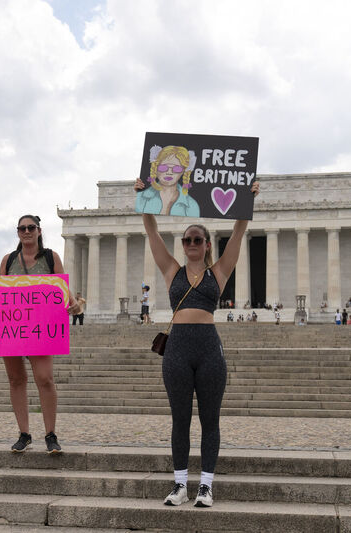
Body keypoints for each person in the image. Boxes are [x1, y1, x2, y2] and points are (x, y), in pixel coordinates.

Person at [136, 177, 258, 509]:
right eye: (188, 239)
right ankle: (179, 485)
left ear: (206, 245)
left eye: (198, 239)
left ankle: (205, 486)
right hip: (177, 348)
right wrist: (143, 199)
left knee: (210, 418)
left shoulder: (217, 272)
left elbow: (237, 235)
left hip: (208, 347)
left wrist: (245, 204)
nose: (192, 242)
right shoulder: (171, 271)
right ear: (184, 244)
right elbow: (152, 233)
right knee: (179, 418)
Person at [0, 215, 79, 454]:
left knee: (44, 379)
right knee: (16, 380)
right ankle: (24, 434)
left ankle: (50, 434)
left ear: (39, 231)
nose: (26, 231)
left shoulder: (51, 257)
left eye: (31, 227)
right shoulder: (9, 259)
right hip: (12, 329)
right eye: (22, 228)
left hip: (41, 328)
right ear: (18, 232)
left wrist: (74, 304)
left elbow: (63, 291)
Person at [135, 145, 201, 217]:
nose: (169, 172)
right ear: (155, 168)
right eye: (163, 167)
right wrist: (138, 192)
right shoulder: (142, 197)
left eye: (177, 169)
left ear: (183, 172)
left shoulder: (191, 205)